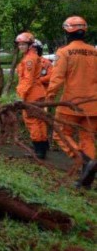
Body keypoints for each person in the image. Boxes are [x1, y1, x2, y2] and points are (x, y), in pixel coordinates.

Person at [45, 16, 97, 188]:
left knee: (60, 134)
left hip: (71, 104)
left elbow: (57, 79)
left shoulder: (64, 52)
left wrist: (49, 98)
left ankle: (84, 161)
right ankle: (86, 178)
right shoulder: (95, 52)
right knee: (87, 138)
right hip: (93, 104)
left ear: (67, 31)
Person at [15, 32, 48, 159]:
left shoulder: (29, 59)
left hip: (31, 94)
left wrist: (20, 97)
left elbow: (27, 80)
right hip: (37, 92)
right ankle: (43, 147)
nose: (21, 46)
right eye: (20, 44)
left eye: (24, 44)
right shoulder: (31, 56)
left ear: (30, 45)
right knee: (40, 120)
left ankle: (38, 151)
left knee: (32, 121)